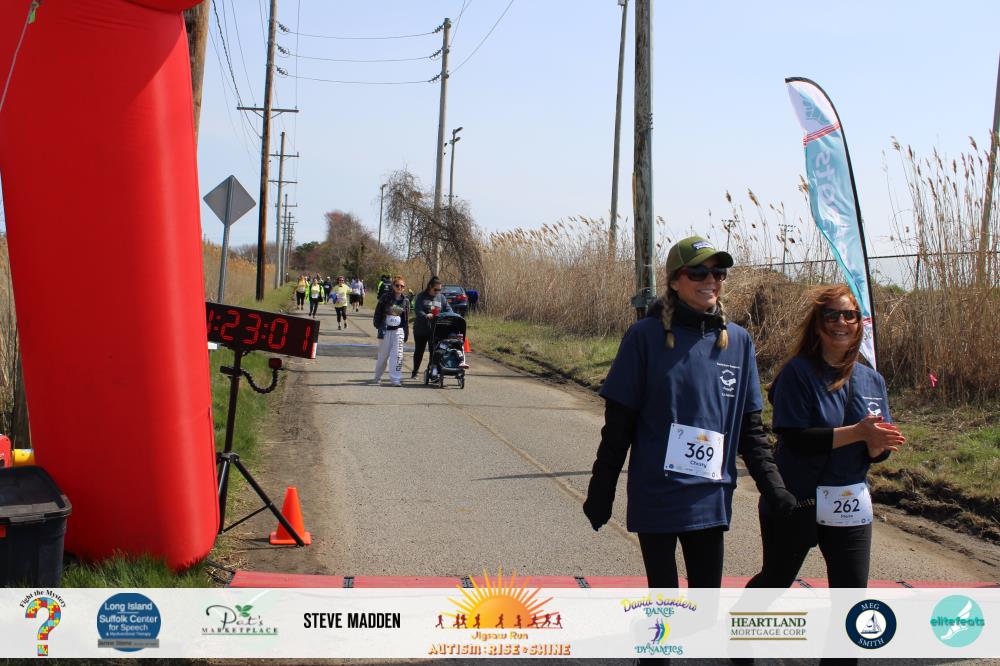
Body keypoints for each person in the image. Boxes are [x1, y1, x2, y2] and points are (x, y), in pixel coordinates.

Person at [583, 236, 796, 589]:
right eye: (697, 273)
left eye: (718, 273)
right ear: (674, 281)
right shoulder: (644, 337)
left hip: (709, 499)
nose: (710, 280)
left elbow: (750, 431)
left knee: (704, 609)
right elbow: (618, 427)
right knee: (666, 608)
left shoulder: (738, 342)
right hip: (657, 496)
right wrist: (601, 489)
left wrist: (774, 488)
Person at [746, 285, 904, 590]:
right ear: (817, 325)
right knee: (774, 582)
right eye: (831, 315)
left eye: (849, 315)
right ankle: (740, 622)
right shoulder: (797, 372)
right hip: (798, 500)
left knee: (851, 593)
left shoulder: (873, 380)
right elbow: (797, 439)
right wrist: (858, 432)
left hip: (849, 504)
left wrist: (876, 447)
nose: (841, 322)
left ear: (859, 324)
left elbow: (879, 448)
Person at [411, 277, 452, 379]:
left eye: (439, 290)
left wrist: (449, 315)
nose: (437, 292)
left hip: (435, 330)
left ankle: (431, 372)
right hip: (421, 329)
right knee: (419, 351)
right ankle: (415, 371)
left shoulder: (441, 298)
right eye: (436, 289)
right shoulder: (421, 296)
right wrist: (426, 315)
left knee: (434, 352)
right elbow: (418, 310)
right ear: (430, 287)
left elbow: (449, 310)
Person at [372, 275, 410, 386]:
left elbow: (405, 318)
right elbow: (378, 312)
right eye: (397, 285)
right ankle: (377, 377)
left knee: (397, 356)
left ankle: (395, 379)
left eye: (402, 286)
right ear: (393, 286)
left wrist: (406, 332)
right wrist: (377, 324)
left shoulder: (405, 300)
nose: (400, 288)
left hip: (398, 331)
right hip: (386, 330)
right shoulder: (385, 297)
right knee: (383, 356)